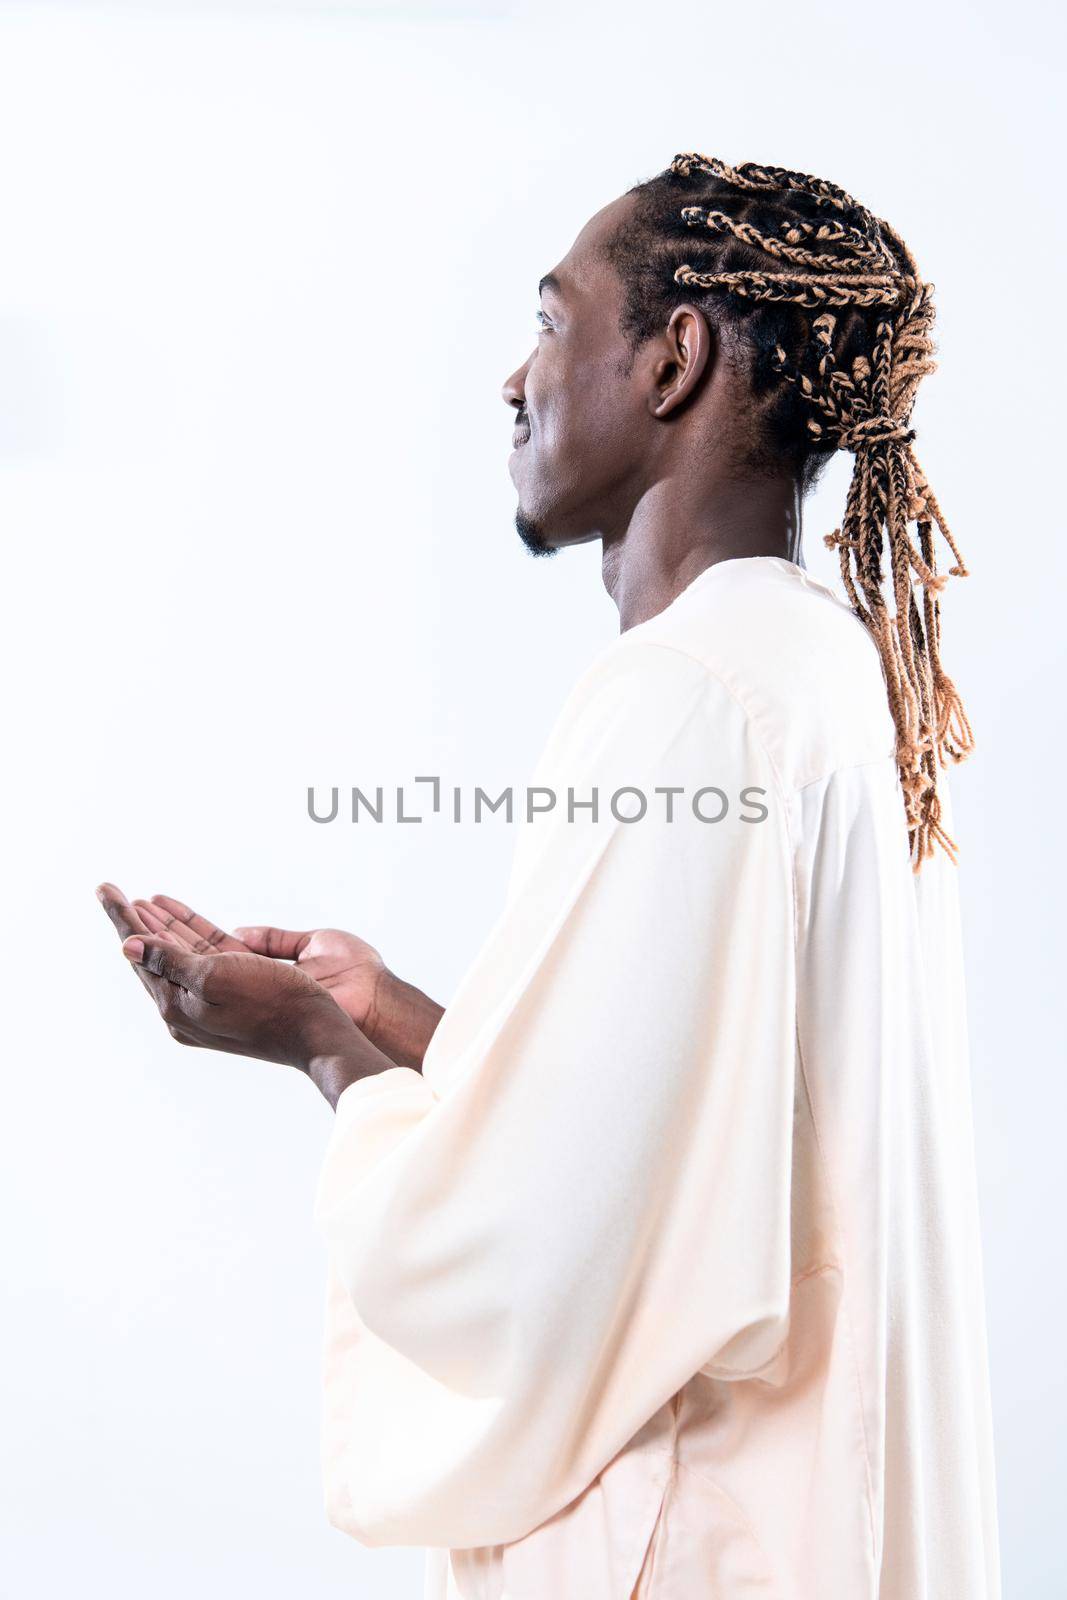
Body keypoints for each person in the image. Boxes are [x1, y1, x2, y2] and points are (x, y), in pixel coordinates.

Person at [97, 153, 1001, 1598]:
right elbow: (683, 1159)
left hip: (706, 1529)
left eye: (551, 320)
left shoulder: (690, 690)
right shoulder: (817, 668)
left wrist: (321, 1049)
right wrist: (390, 1008)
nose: (515, 381)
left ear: (673, 360)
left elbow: (541, 1256)